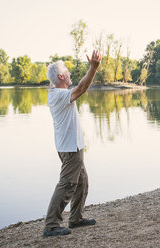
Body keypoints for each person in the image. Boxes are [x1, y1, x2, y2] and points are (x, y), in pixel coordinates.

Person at [43, 50, 102, 237]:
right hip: (69, 148)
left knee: (82, 182)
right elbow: (82, 88)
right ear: (61, 76)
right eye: (67, 71)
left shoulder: (58, 92)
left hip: (73, 146)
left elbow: (79, 88)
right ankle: (52, 225)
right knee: (67, 184)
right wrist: (93, 67)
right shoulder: (59, 95)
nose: (70, 73)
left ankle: (76, 218)